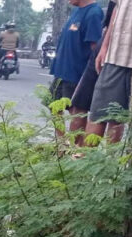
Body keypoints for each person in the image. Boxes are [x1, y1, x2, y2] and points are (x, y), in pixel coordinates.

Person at [49, 0, 103, 141]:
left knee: (77, 112)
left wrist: (90, 77)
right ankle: (62, 144)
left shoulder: (93, 13)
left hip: (78, 73)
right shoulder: (76, 11)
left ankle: (74, 148)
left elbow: (95, 48)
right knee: (54, 106)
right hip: (62, 71)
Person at [86, 0, 132, 143]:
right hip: (119, 52)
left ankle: (110, 161)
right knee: (100, 112)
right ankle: (86, 161)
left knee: (119, 117)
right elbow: (116, 9)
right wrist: (105, 45)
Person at [67, 0, 116, 145]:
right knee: (78, 107)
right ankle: (74, 151)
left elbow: (93, 43)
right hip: (96, 56)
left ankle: (89, 157)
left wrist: (104, 48)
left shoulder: (93, 12)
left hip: (108, 58)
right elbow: (109, 25)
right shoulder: (77, 11)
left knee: (108, 113)